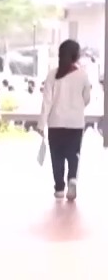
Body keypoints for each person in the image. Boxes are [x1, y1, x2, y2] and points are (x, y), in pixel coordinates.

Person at [39, 39, 94, 200]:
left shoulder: (52, 75)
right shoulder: (83, 75)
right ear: (76, 56)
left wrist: (41, 124)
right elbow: (87, 98)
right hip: (75, 123)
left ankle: (59, 188)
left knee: (57, 156)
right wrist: (77, 106)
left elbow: (47, 101)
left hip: (55, 123)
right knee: (73, 154)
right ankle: (72, 180)